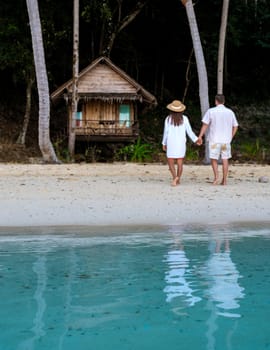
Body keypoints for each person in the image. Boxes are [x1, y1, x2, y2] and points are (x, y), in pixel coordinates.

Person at [198, 94, 238, 185]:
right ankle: (224, 180)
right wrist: (231, 136)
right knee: (225, 159)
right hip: (226, 141)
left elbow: (205, 125)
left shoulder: (211, 111)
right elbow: (235, 126)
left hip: (214, 140)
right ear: (224, 101)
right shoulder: (230, 112)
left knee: (214, 159)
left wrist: (200, 136)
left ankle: (216, 177)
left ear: (216, 101)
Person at [162, 100, 200, 186]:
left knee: (170, 161)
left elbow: (166, 132)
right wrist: (196, 139)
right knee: (180, 162)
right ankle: (178, 178)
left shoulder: (168, 119)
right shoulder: (185, 119)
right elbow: (189, 132)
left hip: (171, 143)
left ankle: (175, 177)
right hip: (181, 143)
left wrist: (164, 143)